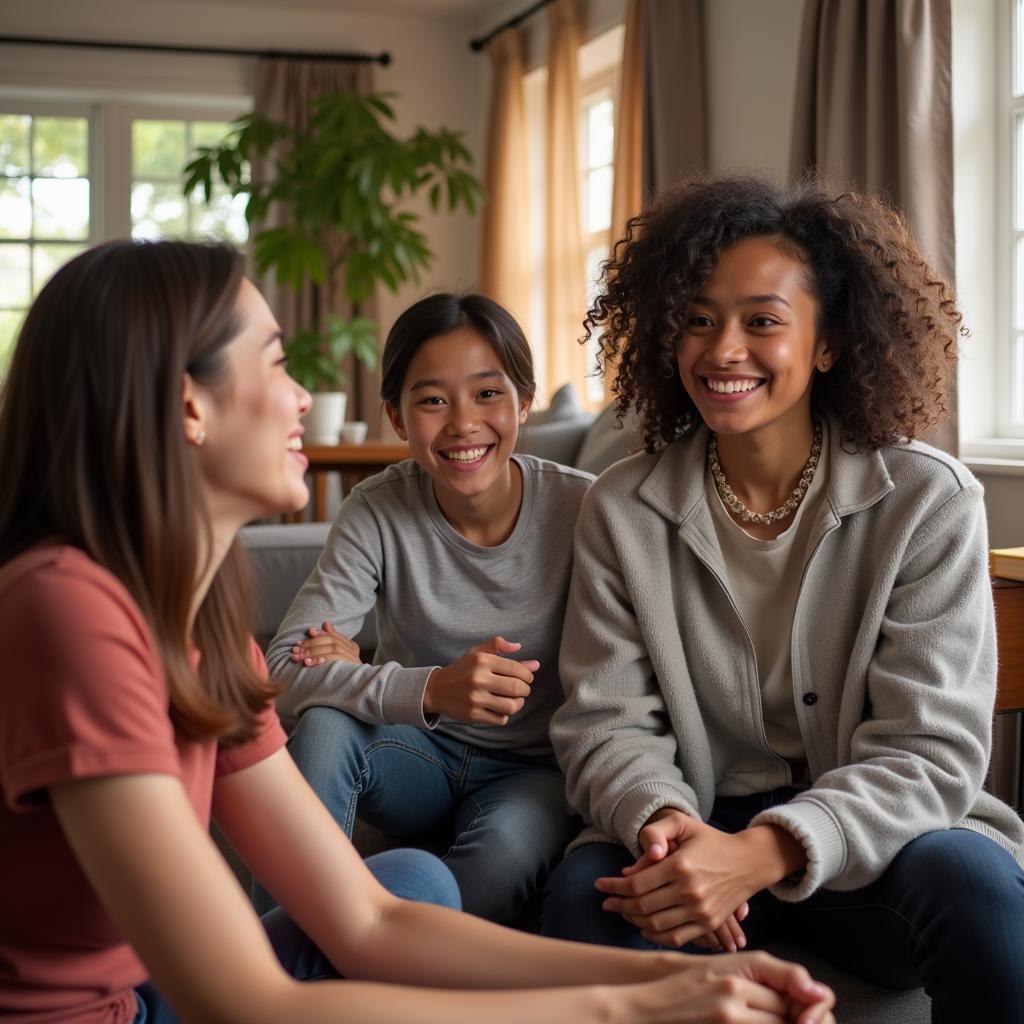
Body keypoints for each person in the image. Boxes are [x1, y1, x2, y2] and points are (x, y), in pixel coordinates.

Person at [0, 239, 837, 1024]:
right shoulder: (70, 611)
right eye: (280, 363)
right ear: (189, 405)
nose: (301, 398)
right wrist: (629, 1010)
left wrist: (678, 975)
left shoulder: (202, 629)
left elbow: (368, 922)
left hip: (520, 778)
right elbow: (245, 1004)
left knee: (409, 883)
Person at [541, 176, 1024, 1020]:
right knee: (588, 900)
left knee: (973, 880)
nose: (723, 349)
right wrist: (662, 822)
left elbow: (931, 751)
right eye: (698, 319)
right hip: (686, 836)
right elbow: (605, 721)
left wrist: (766, 851)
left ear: (828, 342)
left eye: (762, 321)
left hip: (868, 852)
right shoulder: (619, 506)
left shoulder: (928, 499)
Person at [262, 293, 586, 925]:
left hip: (534, 773)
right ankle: (274, 962)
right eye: (433, 400)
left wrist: (357, 671)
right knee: (326, 726)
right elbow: (282, 670)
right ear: (397, 416)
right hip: (415, 756)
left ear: (524, 401)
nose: (463, 423)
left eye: (489, 394)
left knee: (492, 871)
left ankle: (367, 945)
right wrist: (432, 689)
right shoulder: (377, 509)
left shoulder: (585, 510)